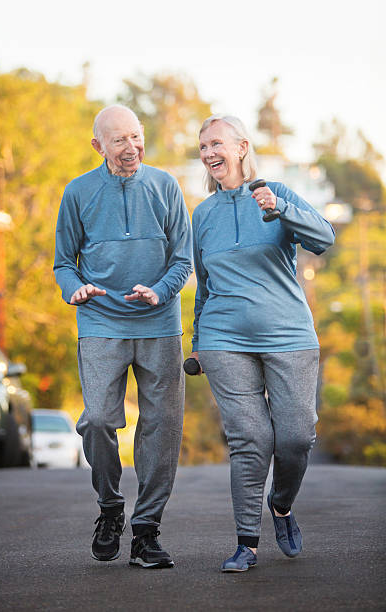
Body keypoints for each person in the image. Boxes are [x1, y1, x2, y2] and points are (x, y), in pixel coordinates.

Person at [189, 114, 335, 572]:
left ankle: (282, 505)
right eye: (203, 146)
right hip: (223, 338)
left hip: (288, 333)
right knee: (250, 438)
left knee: (295, 436)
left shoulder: (275, 194)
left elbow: (324, 238)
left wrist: (281, 209)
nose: (209, 152)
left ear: (241, 147)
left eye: (216, 143)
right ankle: (246, 543)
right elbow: (204, 284)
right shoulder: (203, 214)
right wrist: (198, 340)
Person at [54, 104, 192, 568]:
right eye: (119, 141)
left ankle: (147, 531)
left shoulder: (165, 186)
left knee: (162, 428)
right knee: (97, 420)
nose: (131, 148)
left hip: (159, 323)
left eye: (136, 137)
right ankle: (111, 507)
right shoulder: (78, 193)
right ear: (98, 146)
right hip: (100, 324)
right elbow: (62, 263)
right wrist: (76, 290)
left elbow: (182, 259)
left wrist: (160, 290)